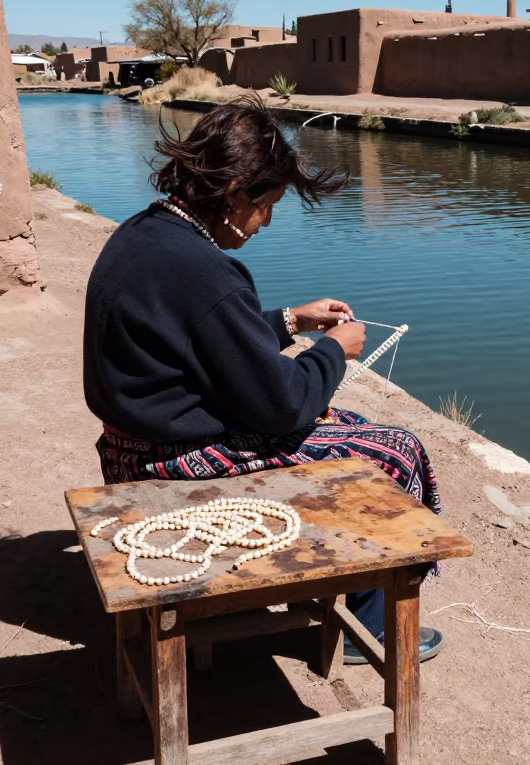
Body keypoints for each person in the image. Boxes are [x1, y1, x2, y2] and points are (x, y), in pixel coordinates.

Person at [82, 95, 443, 662]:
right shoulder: (207, 270)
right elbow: (283, 404)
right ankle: (366, 628)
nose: (267, 220)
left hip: (129, 444)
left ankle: (339, 597)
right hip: (171, 462)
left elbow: (202, 341)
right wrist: (333, 350)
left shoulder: (146, 233)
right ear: (233, 195)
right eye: (267, 205)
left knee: (351, 425)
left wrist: (289, 321)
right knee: (394, 451)